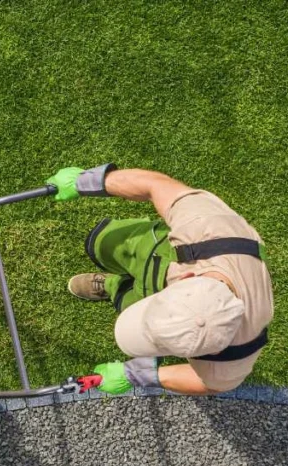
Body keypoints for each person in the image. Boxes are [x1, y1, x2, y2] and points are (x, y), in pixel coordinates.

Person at [46, 164, 273, 395]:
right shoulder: (208, 226)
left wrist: (137, 375)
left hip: (177, 272)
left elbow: (208, 384)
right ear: (186, 276)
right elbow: (156, 185)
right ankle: (114, 260)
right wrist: (87, 182)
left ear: (214, 351)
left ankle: (112, 286)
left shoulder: (233, 359)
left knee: (126, 299)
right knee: (102, 243)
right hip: (168, 252)